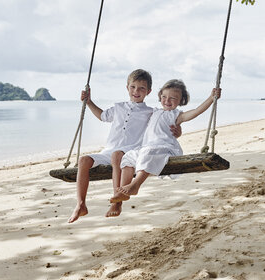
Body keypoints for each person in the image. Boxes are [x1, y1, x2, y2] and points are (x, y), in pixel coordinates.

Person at [68, 69, 181, 223]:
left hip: (131, 152)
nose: (136, 91)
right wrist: (88, 102)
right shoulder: (118, 107)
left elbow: (164, 123)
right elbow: (102, 116)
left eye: (142, 88)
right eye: (133, 87)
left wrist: (178, 131)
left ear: (148, 91)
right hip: (109, 151)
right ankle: (81, 204)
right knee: (83, 160)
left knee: (117, 155)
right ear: (127, 87)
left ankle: (117, 202)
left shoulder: (151, 112)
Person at [110, 79, 221, 204]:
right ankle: (121, 193)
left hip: (165, 148)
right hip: (146, 147)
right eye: (164, 97)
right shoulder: (154, 112)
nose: (167, 101)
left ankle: (135, 185)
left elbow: (196, 111)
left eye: (172, 98)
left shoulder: (176, 115)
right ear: (159, 97)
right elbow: (136, 116)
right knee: (128, 158)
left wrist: (212, 98)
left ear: (181, 101)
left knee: (149, 152)